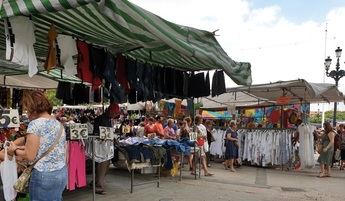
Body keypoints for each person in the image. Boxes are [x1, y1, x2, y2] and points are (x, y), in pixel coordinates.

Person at [4, 90, 67, 200]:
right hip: (61, 172)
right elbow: (45, 147)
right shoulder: (58, 123)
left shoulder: (35, 124)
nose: (27, 112)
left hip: (43, 175)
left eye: (27, 109)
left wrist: (13, 150)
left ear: (33, 107)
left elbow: (29, 156)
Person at [93, 103, 120, 194]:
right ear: (110, 111)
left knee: (105, 163)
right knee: (103, 163)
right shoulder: (102, 119)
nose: (115, 115)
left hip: (103, 145)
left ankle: (97, 182)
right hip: (100, 145)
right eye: (115, 113)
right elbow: (101, 133)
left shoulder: (107, 119)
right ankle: (98, 186)